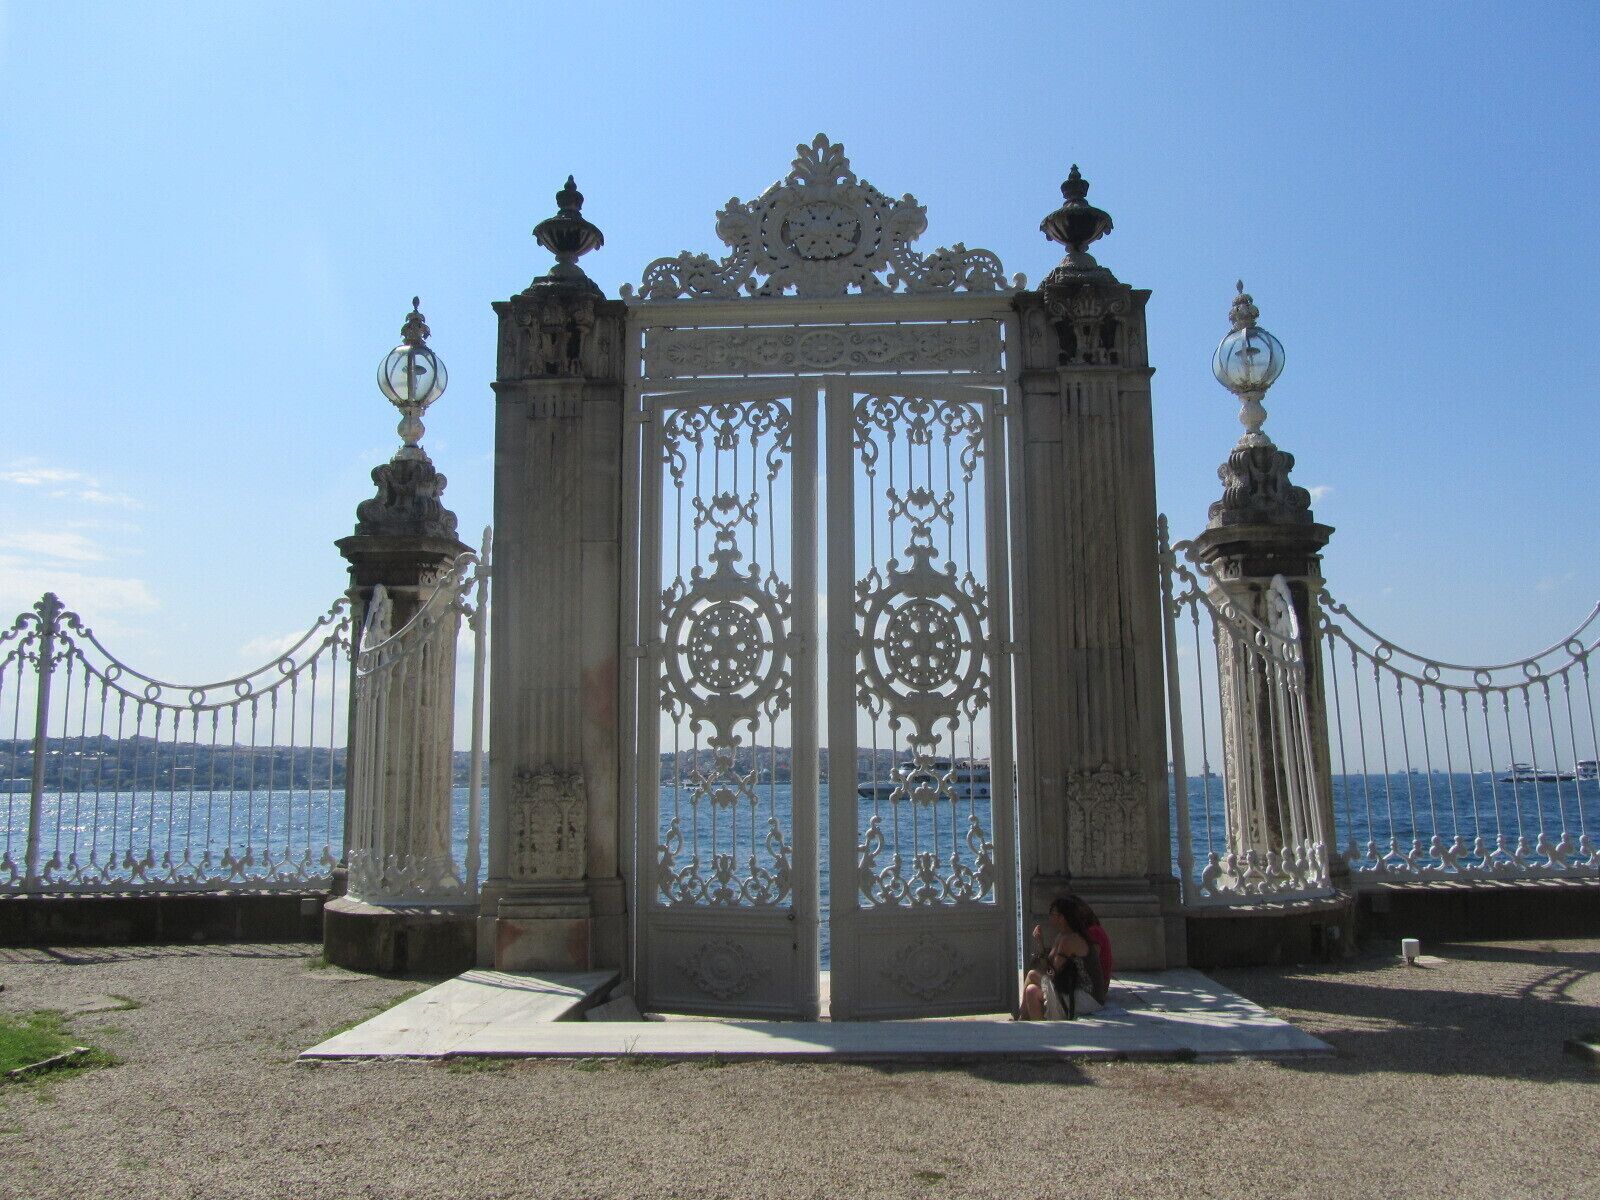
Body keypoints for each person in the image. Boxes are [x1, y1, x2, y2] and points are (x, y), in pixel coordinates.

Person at [1017, 895, 1105, 1020]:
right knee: (1031, 990)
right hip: (1072, 989)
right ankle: (1035, 1029)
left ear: (1062, 918)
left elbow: (1052, 973)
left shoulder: (1069, 940)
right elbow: (1050, 967)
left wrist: (1042, 955)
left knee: (1032, 975)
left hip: (1088, 997)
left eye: (1053, 913)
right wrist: (1040, 944)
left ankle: (1021, 1018)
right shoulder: (1062, 936)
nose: (1050, 917)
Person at [1063, 895, 1113, 1006]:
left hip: (1093, 991)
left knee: (1033, 984)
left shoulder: (1093, 932)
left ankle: (1022, 1018)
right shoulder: (1092, 931)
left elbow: (1091, 966)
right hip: (1089, 987)